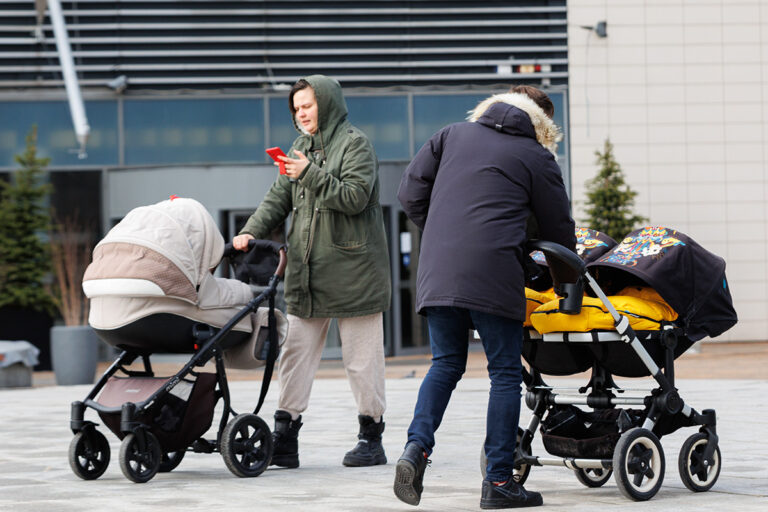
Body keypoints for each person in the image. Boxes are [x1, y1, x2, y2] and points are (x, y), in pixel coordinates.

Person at [393, 87, 576, 509]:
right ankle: (498, 482)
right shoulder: (535, 156)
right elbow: (558, 229)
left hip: (438, 270)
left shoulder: (450, 134)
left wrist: (443, 231)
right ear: (540, 124)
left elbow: (409, 194)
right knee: (505, 374)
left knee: (446, 364)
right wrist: (564, 279)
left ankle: (415, 449)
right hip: (493, 270)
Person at [233, 74, 391, 468]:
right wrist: (250, 230)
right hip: (307, 272)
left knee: (361, 361)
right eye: (297, 108)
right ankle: (285, 439)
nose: (302, 114)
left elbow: (355, 198)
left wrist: (308, 173)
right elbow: (278, 198)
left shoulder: (356, 144)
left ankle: (371, 438)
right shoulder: (300, 147)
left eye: (308, 105)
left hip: (356, 271)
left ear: (327, 103)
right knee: (295, 356)